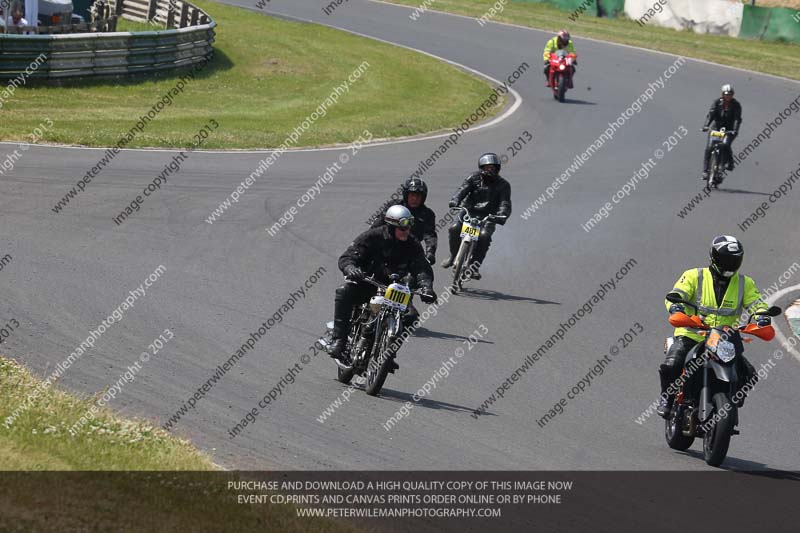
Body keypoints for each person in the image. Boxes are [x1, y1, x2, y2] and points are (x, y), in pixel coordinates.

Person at [657, 235, 768, 418]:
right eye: (726, 260)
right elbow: (676, 294)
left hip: (724, 338)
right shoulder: (694, 275)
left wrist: (762, 315)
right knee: (672, 364)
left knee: (749, 374)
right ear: (714, 258)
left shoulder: (744, 283)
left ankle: (731, 400)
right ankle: (667, 398)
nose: (730, 264)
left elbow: (756, 302)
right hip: (692, 334)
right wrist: (676, 308)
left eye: (734, 260)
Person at [329, 205, 437, 367]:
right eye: (402, 228)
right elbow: (349, 255)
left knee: (411, 316)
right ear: (392, 227)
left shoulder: (413, 244)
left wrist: (426, 287)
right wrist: (351, 268)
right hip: (368, 282)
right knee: (344, 292)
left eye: (408, 228)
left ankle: (389, 353)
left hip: (394, 289)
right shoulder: (372, 236)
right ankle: (339, 341)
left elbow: (422, 268)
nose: (406, 231)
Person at [440, 153, 511, 280]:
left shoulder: (504, 185)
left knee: (484, 236)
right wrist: (455, 200)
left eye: (493, 168)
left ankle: (474, 267)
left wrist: (502, 215)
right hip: (469, 211)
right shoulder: (473, 177)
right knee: (454, 228)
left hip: (489, 216)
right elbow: (462, 190)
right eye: (487, 167)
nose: (490, 170)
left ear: (498, 169)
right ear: (481, 167)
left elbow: (504, 203)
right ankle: (453, 256)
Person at [370, 177, 437, 266]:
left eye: (418, 196)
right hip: (385, 246)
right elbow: (376, 226)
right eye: (412, 195)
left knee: (422, 275)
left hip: (410, 249)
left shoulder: (427, 214)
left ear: (423, 197)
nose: (415, 199)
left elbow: (430, 235)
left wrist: (430, 252)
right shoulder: (393, 207)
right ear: (406, 195)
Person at [702, 84, 742, 178]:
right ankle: (705, 170)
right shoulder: (717, 102)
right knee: (709, 148)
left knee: (725, 145)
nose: (728, 96)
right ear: (722, 94)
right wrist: (706, 126)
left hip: (729, 130)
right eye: (726, 94)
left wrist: (735, 130)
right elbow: (711, 114)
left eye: (730, 94)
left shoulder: (736, 105)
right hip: (716, 128)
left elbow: (737, 119)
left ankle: (729, 163)